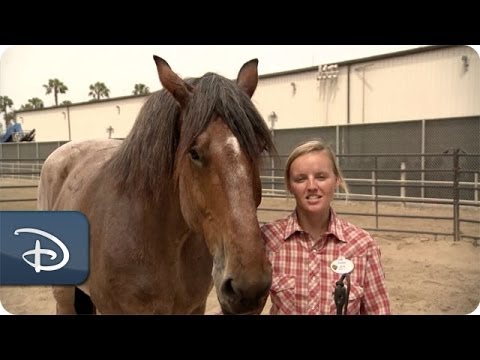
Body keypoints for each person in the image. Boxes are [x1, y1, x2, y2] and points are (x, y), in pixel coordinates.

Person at [261, 139, 391, 315]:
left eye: (321, 177)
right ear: (290, 186)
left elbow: (379, 310)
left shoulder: (362, 246)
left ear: (336, 180)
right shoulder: (268, 240)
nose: (312, 186)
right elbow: (243, 306)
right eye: (301, 179)